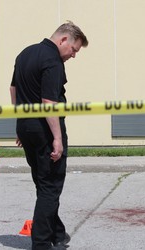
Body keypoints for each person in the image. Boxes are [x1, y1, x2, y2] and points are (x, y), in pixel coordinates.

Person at [10, 21, 88, 249]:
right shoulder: (52, 60)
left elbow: (13, 90)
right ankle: (42, 243)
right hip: (45, 130)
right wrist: (57, 138)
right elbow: (49, 102)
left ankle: (57, 232)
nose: (73, 56)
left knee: (43, 183)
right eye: (74, 50)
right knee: (50, 186)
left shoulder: (25, 53)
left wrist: (19, 124)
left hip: (27, 128)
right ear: (63, 40)